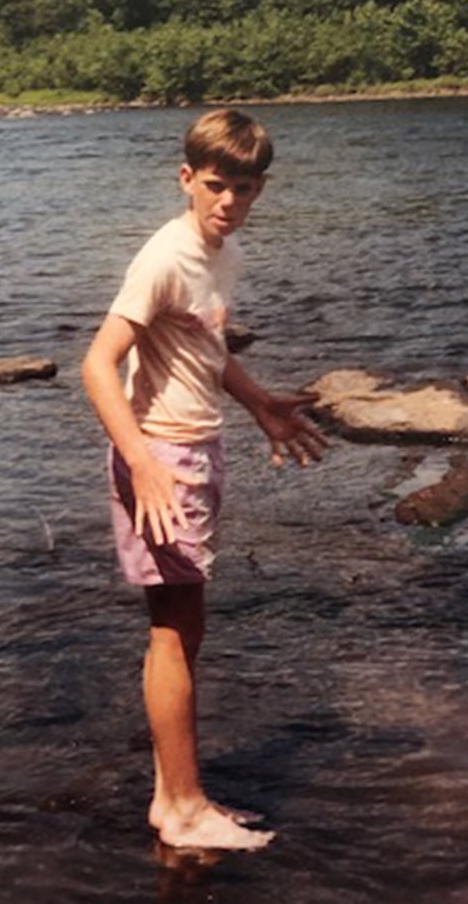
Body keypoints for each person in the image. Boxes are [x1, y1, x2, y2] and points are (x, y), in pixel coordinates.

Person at [81, 108, 326, 851]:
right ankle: (185, 811)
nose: (228, 202)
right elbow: (96, 366)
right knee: (172, 633)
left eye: (244, 189)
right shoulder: (166, 256)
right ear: (187, 178)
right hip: (160, 457)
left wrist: (258, 404)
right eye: (216, 186)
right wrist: (144, 464)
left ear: (260, 190)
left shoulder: (226, 252)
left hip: (195, 450)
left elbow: (203, 348)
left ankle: (173, 796)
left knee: (186, 627)